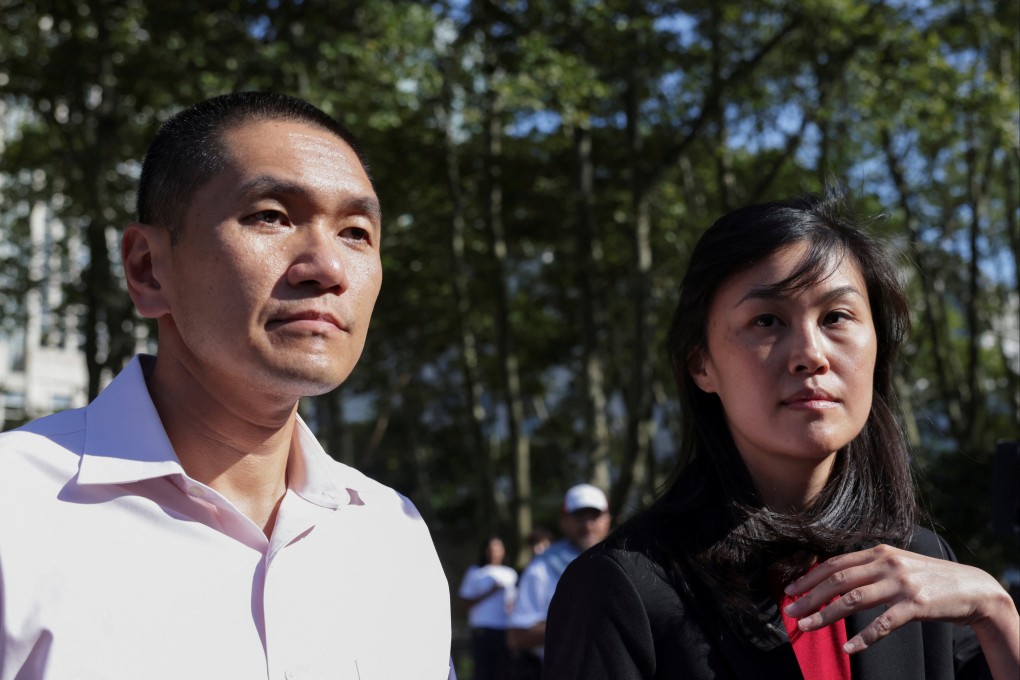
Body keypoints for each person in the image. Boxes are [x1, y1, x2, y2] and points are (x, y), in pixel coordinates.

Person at [0, 92, 453, 679]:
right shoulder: (16, 512)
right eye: (271, 216)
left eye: (356, 232)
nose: (328, 267)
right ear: (146, 268)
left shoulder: (394, 537)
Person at [544, 189, 1020, 680]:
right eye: (767, 321)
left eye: (836, 317)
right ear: (700, 364)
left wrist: (998, 613)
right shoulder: (622, 590)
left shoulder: (920, 569)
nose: (811, 354)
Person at [507, 484, 611, 678]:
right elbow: (517, 637)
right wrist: (583, 621)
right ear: (563, 521)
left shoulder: (630, 563)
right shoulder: (541, 568)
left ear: (608, 519)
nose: (587, 525)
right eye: (579, 517)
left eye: (594, 516)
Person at [458, 537, 518, 680]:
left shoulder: (510, 574)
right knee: (483, 671)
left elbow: (514, 603)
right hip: (482, 628)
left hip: (504, 629)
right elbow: (465, 602)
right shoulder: (475, 572)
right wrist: (490, 592)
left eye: (497, 550)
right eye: (491, 550)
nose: (494, 553)